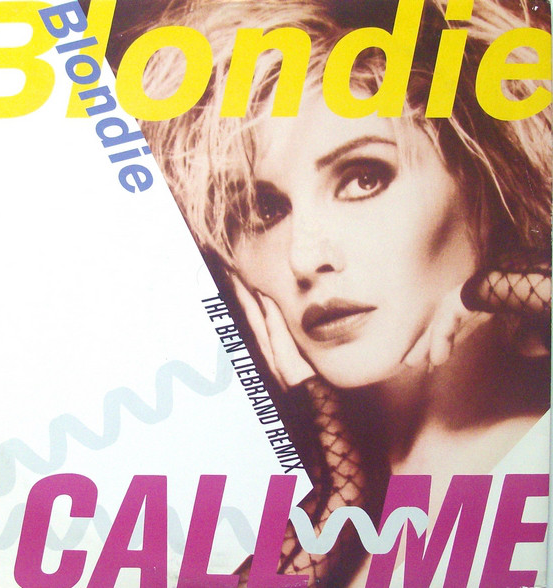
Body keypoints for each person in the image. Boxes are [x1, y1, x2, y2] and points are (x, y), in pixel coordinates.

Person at [111, 0, 551, 584]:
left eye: (364, 178)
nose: (304, 256)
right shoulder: (301, 525)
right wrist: (341, 489)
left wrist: (495, 286)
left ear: (484, 176)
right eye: (263, 210)